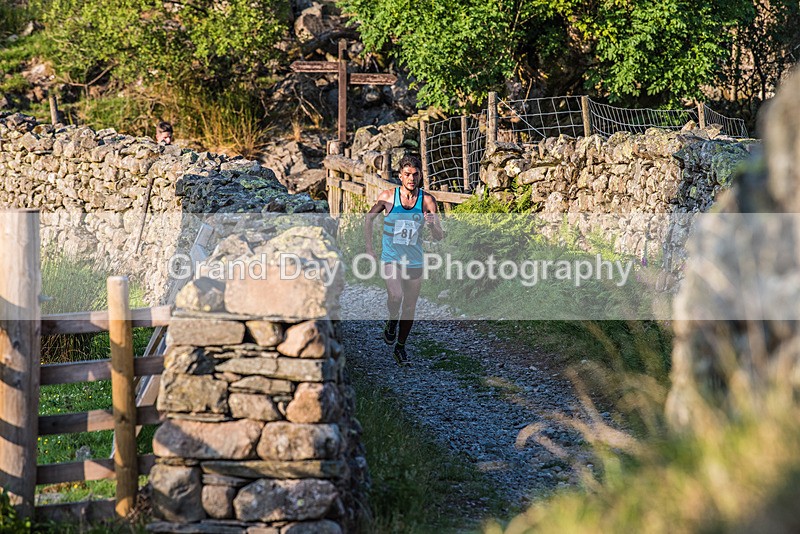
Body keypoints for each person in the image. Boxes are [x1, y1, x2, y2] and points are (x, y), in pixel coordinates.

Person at [365, 154, 444, 365]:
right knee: (396, 296)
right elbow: (369, 218)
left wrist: (432, 225)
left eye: (415, 175)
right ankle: (392, 321)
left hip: (414, 261)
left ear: (420, 176)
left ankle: (400, 347)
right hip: (391, 257)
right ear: (400, 176)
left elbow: (440, 235)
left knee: (409, 307)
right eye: (407, 174)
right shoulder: (388, 197)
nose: (411, 178)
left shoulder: (427, 201)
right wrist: (369, 248)